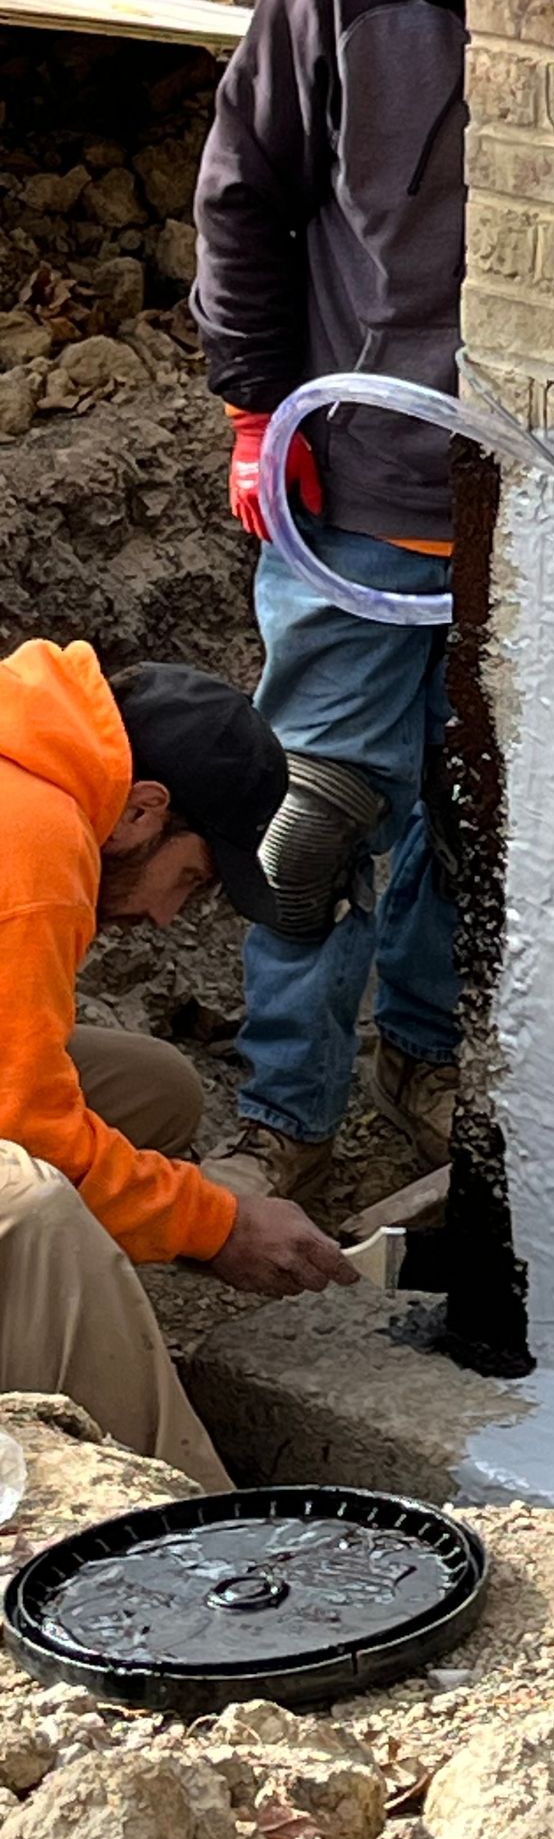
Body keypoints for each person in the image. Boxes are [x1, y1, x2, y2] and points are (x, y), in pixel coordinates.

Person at [191, 0, 469, 1208]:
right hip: (355, 494)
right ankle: (282, 1117)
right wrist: (256, 409)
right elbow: (242, 204)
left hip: (544, 510)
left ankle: (428, 1058)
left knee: (472, 818)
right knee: (320, 823)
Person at [0, 637, 357, 1487]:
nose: (167, 917)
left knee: (151, 1088)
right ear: (143, 812)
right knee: (36, 1206)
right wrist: (218, 1224)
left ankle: (45, 1337)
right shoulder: (36, 841)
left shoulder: (31, 760)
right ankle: (179, 1523)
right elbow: (23, 1128)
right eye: (191, 880)